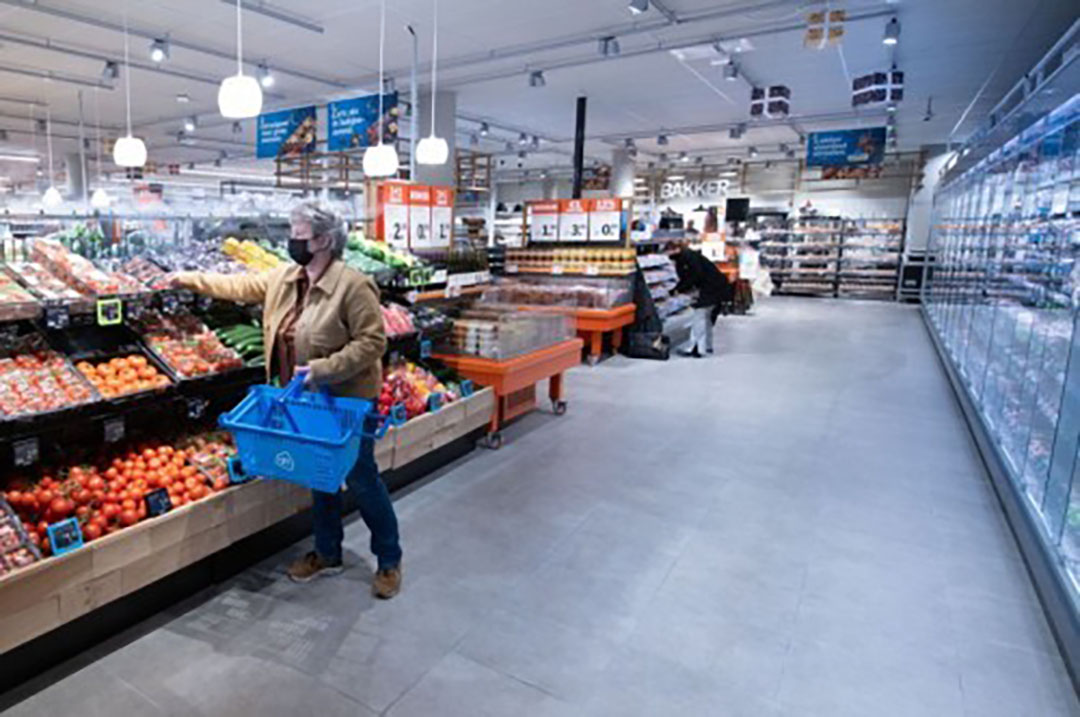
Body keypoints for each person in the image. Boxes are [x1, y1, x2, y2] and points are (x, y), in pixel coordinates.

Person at [173, 203, 403, 599]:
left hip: (344, 400)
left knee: (361, 479)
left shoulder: (353, 285)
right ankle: (327, 553)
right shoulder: (285, 277)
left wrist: (323, 368)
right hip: (303, 400)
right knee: (320, 477)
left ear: (325, 241)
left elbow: (373, 343)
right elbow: (240, 287)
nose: (291, 240)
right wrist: (187, 279)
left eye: (298, 233)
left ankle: (388, 559)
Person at [673, 245, 731, 358]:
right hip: (718, 287)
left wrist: (679, 289)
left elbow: (695, 276)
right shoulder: (691, 257)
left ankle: (696, 348)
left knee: (699, 317)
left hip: (711, 289)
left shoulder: (690, 259)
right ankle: (707, 346)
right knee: (707, 318)